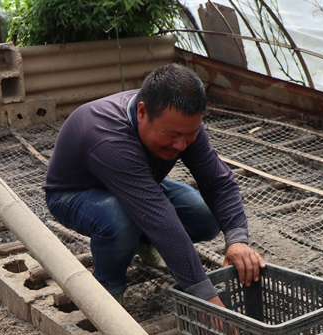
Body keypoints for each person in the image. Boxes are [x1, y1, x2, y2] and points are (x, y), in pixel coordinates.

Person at [43, 63, 264, 307]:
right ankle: (107, 294)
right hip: (74, 194)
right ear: (141, 113)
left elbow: (218, 182)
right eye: (171, 135)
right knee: (120, 220)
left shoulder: (181, 124)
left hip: (139, 183)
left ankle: (141, 243)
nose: (181, 145)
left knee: (205, 215)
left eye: (189, 135)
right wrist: (207, 300)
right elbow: (159, 218)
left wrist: (237, 240)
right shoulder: (108, 138)